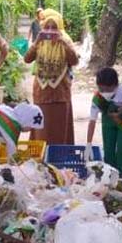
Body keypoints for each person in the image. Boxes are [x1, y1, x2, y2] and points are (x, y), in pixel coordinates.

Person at [24, 9, 78, 144]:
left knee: (60, 129)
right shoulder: (40, 43)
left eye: (54, 27)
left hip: (60, 94)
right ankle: (41, 159)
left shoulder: (65, 41)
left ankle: (59, 159)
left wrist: (63, 42)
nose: (50, 31)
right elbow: (27, 59)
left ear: (60, 28)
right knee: (41, 128)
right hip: (41, 93)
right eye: (47, 27)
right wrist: (36, 42)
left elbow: (74, 61)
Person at [85, 67, 122, 175]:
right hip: (108, 124)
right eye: (101, 89)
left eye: (107, 90)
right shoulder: (98, 99)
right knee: (108, 150)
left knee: (121, 150)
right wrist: (88, 144)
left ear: (115, 85)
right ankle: (110, 174)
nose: (104, 93)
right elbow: (92, 121)